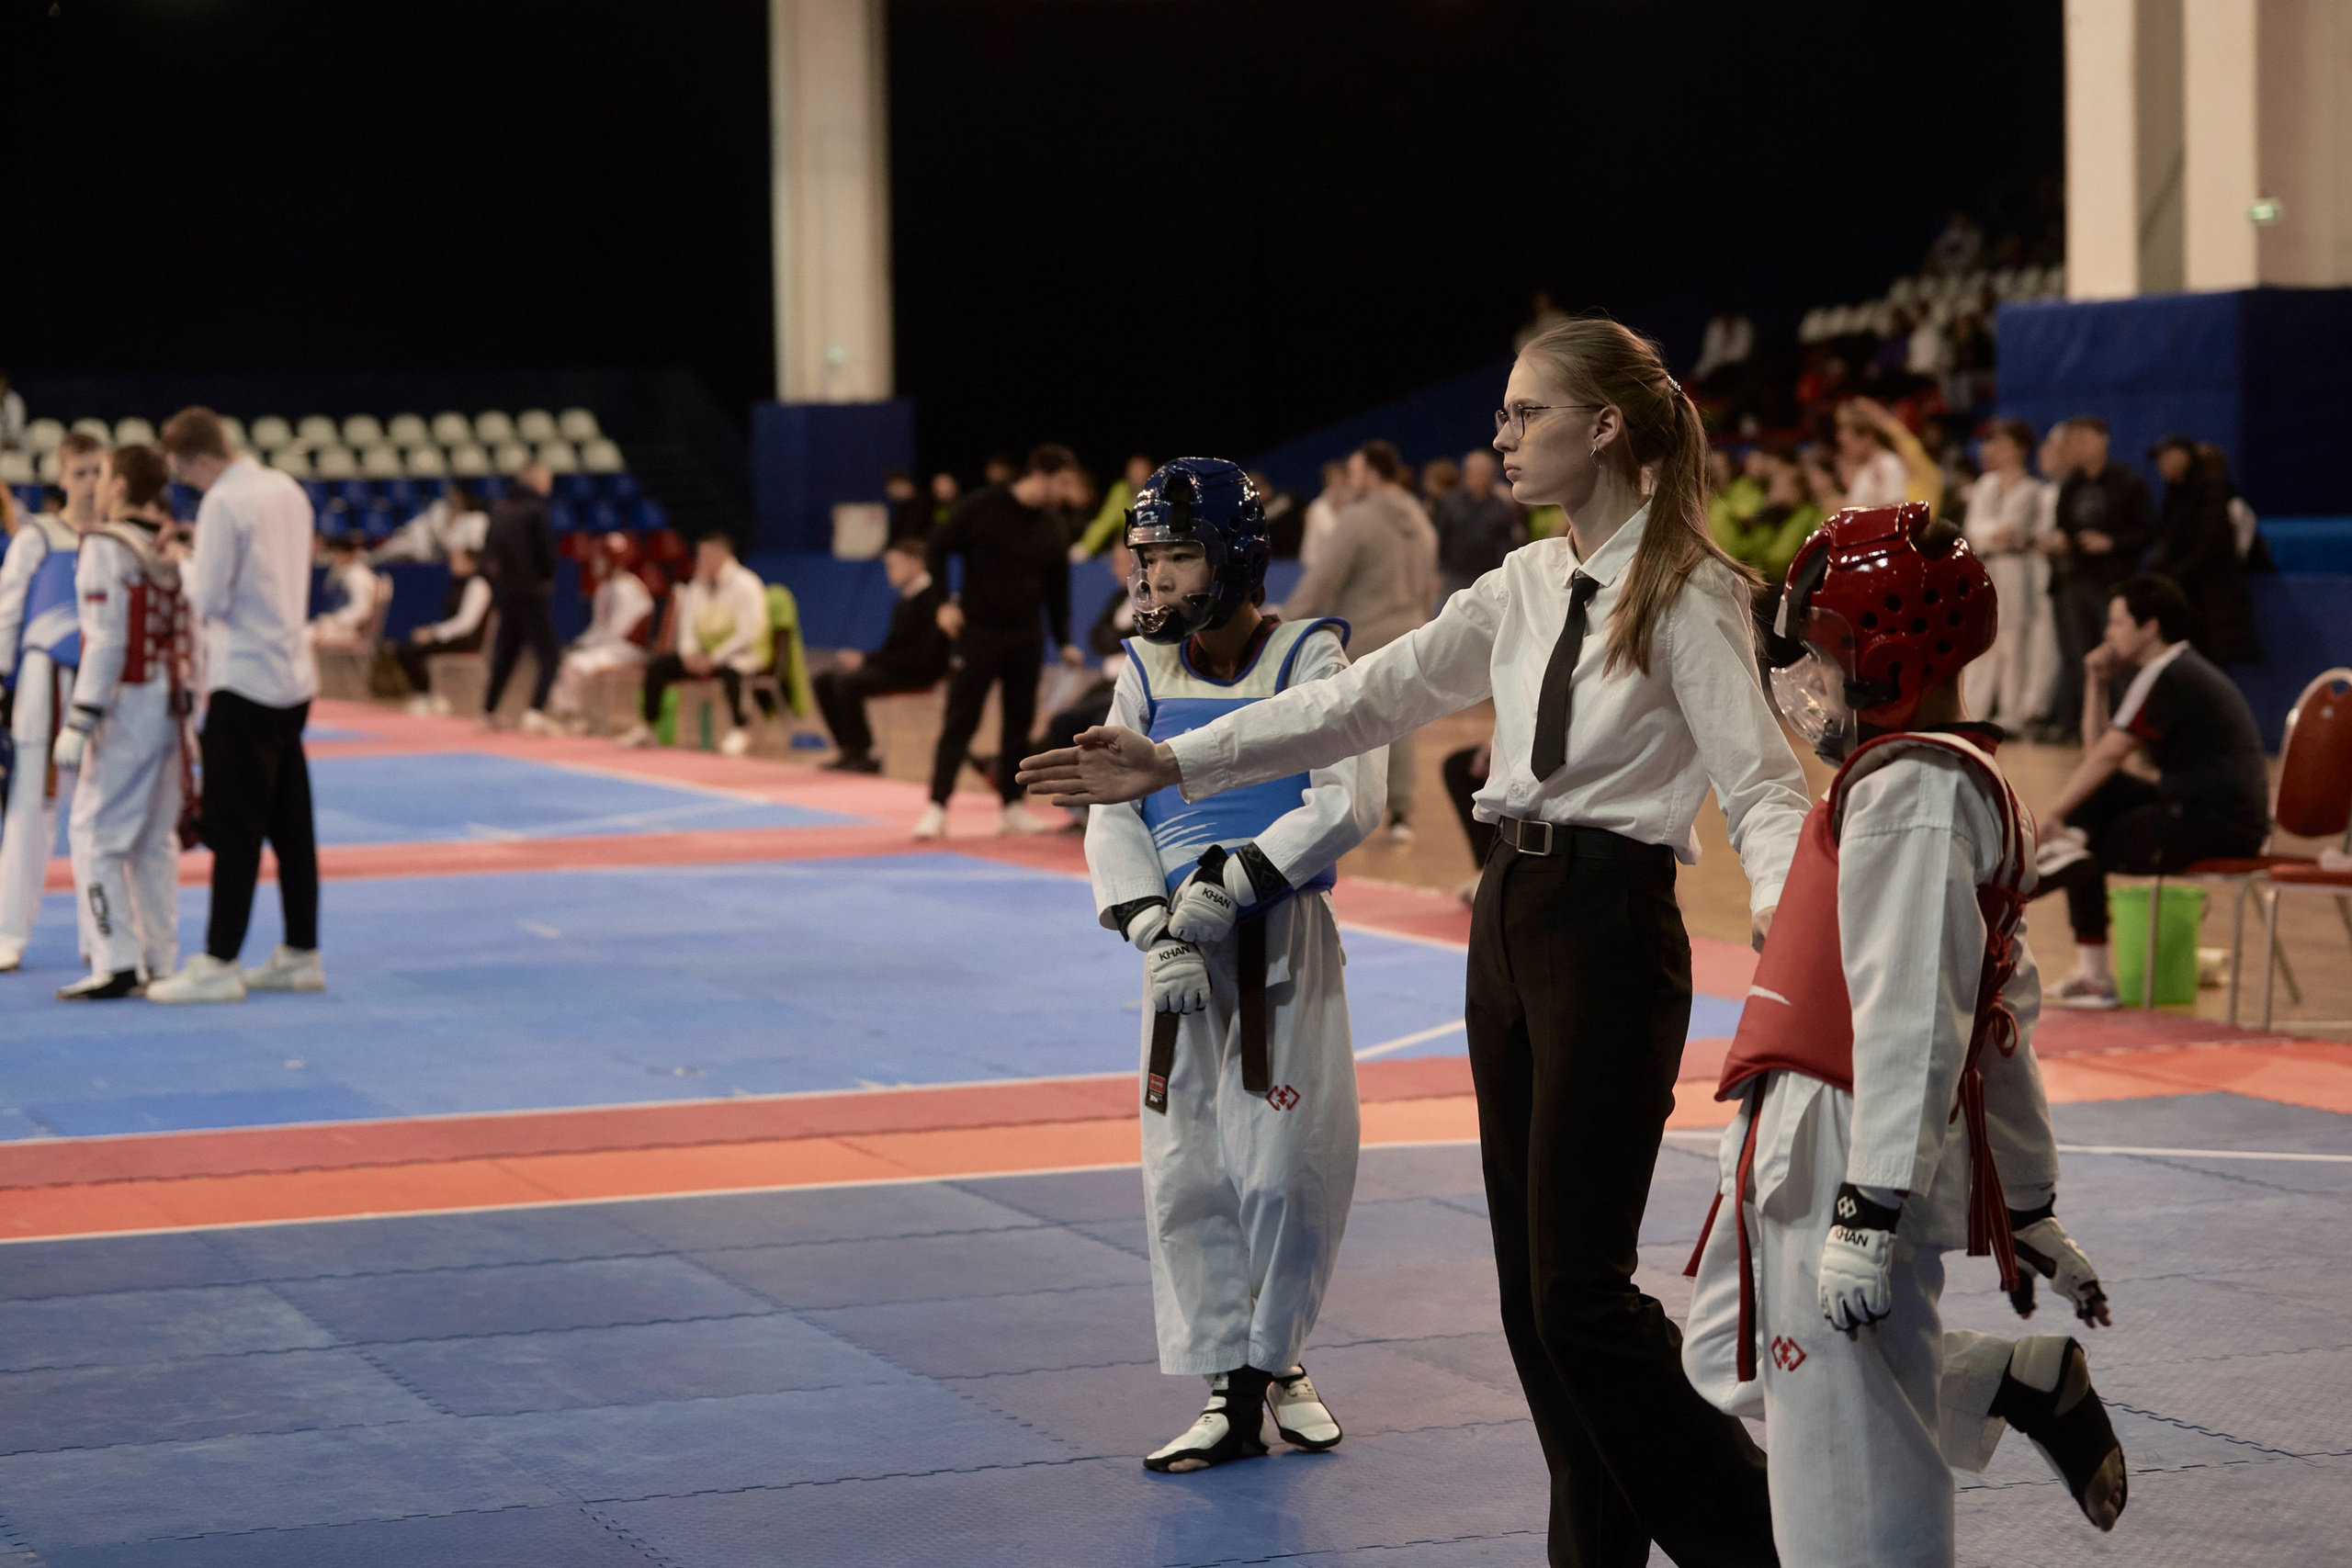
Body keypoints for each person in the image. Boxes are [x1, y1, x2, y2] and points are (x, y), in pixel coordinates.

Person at [1021, 318, 1809, 1568]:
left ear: (1604, 427)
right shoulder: (1523, 583)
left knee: (1579, 1295)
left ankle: (1758, 1535)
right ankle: (1589, 1551)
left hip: (1608, 922)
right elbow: (1357, 700)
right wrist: (1177, 756)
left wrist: (1790, 951)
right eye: (1500, 412)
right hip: (1507, 914)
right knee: (1527, 1298)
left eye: (1525, 412)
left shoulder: (1694, 592)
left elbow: (1766, 787)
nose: (1499, 435)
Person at [1683, 502, 2126, 1564]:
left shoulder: (1912, 792)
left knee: (1845, 1476)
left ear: (1885, 658)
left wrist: (1869, 1207)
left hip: (1842, 1134)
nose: (1811, 687)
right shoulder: (1922, 780)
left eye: (1826, 656)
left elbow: (1915, 1020)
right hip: (1810, 1122)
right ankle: (2010, 1379)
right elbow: (1996, 1024)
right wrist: (2026, 1203)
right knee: (1725, 1356)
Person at [1080, 457, 1379, 1475]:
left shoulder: (1312, 658)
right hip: (1178, 957)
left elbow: (1342, 802)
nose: (1156, 579)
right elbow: (1112, 806)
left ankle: (1276, 1360)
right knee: (1187, 1174)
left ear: (1235, 559)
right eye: (1148, 558)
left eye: (1177, 556)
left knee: (1288, 1174)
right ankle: (1228, 1386)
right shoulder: (1141, 668)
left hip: (1279, 941)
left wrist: (1241, 879)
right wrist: (1149, 928)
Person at [151, 406, 323, 1004]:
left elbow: (214, 598)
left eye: (180, 471)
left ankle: (220, 959)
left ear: (194, 458)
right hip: (293, 677)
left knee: (237, 827)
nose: (182, 482)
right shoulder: (286, 489)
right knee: (292, 825)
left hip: (243, 681)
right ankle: (302, 950)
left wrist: (182, 564)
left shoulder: (222, 502)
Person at [2031, 574, 2270, 1009]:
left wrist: (2050, 817)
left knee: (2082, 848)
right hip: (2198, 809)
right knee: (2089, 810)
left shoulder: (2170, 674)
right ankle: (2087, 955)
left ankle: (2092, 967)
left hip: (2216, 824)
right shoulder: (2171, 670)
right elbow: (2096, 755)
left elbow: (2105, 758)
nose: (2108, 634)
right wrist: (2096, 683)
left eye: (2117, 623)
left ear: (2150, 627)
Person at [54, 445, 195, 1000]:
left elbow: (107, 638)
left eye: (104, 474)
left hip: (127, 701)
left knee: (95, 833)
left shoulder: (106, 548)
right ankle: (159, 958)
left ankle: (115, 960)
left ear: (117, 485)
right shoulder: (170, 543)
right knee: (155, 839)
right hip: (172, 698)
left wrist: (80, 719)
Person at [912, 444, 1087, 840]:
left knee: (1018, 727)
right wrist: (942, 604)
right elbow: (936, 548)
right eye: (1062, 482)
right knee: (961, 719)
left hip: (1026, 637)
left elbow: (1057, 591)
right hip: (979, 633)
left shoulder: (1053, 525)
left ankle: (1011, 806)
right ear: (1040, 476)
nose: (1066, 492)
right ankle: (937, 808)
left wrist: (1063, 642)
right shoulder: (983, 506)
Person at [1280, 440, 1439, 843]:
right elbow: (1428, 585)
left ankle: (1335, 814)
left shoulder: (1357, 519)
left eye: (1353, 474)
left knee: (1337, 726)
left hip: (1363, 636)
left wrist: (1281, 625)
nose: (1350, 483)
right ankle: (1401, 813)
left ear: (1370, 474)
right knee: (1400, 727)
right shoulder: (1421, 519)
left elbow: (1321, 584)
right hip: (1413, 633)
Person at [0, 432, 101, 974]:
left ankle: (100, 936)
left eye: (96, 472)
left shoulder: (116, 540)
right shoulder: (37, 536)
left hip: (101, 688)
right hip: (45, 682)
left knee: (99, 815)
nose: (88, 483)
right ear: (62, 477)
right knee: (30, 810)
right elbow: (6, 611)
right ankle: (9, 934)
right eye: (79, 472)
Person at [2044, 417, 2154, 734]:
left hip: (2113, 583)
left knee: (2121, 655)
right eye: (2073, 440)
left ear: (2102, 439)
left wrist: (2112, 542)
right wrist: (2062, 541)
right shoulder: (2072, 485)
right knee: (2078, 656)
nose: (2078, 446)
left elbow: (2148, 531)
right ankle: (2085, 725)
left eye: (2084, 438)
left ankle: (2130, 724)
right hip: (2076, 580)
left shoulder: (2128, 482)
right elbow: (2063, 527)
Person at [620, 531, 771, 757]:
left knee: (733, 672)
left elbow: (747, 632)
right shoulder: (697, 586)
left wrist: (716, 657)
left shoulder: (747, 585)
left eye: (705, 556)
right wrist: (689, 654)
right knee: (659, 666)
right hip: (701, 656)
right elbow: (687, 625)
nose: (700, 561)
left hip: (741, 654)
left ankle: (739, 730)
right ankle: (648, 727)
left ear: (722, 556)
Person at [814, 535, 951, 773]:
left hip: (919, 673)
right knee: (823, 679)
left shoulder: (932, 599)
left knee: (846, 683)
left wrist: (867, 661)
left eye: (894, 565)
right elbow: (893, 650)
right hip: (897, 667)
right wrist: (865, 660)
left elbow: (921, 657)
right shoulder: (904, 601)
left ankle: (864, 754)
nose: (889, 571)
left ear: (917, 563)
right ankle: (849, 750)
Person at [1960, 419, 2058, 728]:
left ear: (2020, 449)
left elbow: (2020, 533)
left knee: (2015, 643)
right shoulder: (1985, 484)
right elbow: (1974, 529)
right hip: (1986, 565)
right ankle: (1973, 711)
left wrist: (2003, 534)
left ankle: (2011, 715)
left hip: (2017, 568)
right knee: (1982, 641)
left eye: (2003, 444)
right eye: (1994, 443)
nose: (1995, 451)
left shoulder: (2033, 490)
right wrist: (1996, 533)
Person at [2148, 434, 2261, 666]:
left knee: (2212, 664)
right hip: (2186, 598)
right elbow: (2165, 540)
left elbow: (2212, 544)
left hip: (2213, 599)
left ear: (2183, 456)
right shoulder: (2173, 495)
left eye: (2166, 456)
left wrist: (2174, 575)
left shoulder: (2213, 490)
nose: (2161, 464)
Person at [479, 462, 561, 735]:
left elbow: (489, 554)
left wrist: (500, 587)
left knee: (508, 651)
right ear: (534, 479)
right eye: (546, 477)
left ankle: (488, 711)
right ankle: (535, 712)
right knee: (550, 653)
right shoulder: (536, 510)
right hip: (533, 592)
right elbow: (544, 553)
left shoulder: (499, 508)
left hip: (507, 593)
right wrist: (545, 579)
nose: (549, 483)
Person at [543, 533, 651, 728]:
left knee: (575, 665)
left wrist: (591, 648)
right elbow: (598, 629)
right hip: (608, 647)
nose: (596, 563)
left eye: (600, 558)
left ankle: (573, 717)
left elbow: (619, 631)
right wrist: (581, 644)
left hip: (627, 651)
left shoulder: (628, 588)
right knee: (569, 657)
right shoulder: (604, 589)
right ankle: (564, 714)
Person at [395, 544, 492, 712]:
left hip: (467, 641)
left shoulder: (478, 586)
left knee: (411, 651)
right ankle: (428, 695)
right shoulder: (457, 585)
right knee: (405, 647)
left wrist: (435, 633)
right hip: (452, 636)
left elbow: (466, 623)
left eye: (457, 560)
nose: (451, 564)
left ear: (471, 563)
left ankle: (426, 695)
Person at [1430, 450, 1524, 601]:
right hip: (1456, 576)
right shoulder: (1451, 502)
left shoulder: (1500, 506)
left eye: (1482, 472)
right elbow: (1440, 537)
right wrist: (1438, 571)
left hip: (1488, 576)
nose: (1476, 476)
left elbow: (1508, 541)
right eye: (1472, 471)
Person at [1072, 454, 1156, 559]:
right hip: (1128, 552)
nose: (1137, 476)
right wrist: (1084, 548)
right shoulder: (1120, 490)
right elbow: (1104, 523)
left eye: (1141, 471)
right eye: (1133, 470)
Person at [308, 533, 379, 651]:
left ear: (347, 554)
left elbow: (361, 610)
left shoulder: (357, 577)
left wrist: (335, 620)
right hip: (345, 625)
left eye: (337, 554)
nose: (334, 558)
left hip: (349, 629)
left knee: (305, 636)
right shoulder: (346, 572)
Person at [1297, 459, 1351, 570]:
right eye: (1333, 479)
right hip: (1325, 571)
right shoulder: (1317, 509)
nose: (1337, 483)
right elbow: (1310, 547)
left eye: (1341, 479)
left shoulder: (1359, 507)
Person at [884, 469, 929, 546]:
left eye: (892, 486)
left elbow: (909, 535)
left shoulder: (924, 503)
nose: (889, 491)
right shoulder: (902, 507)